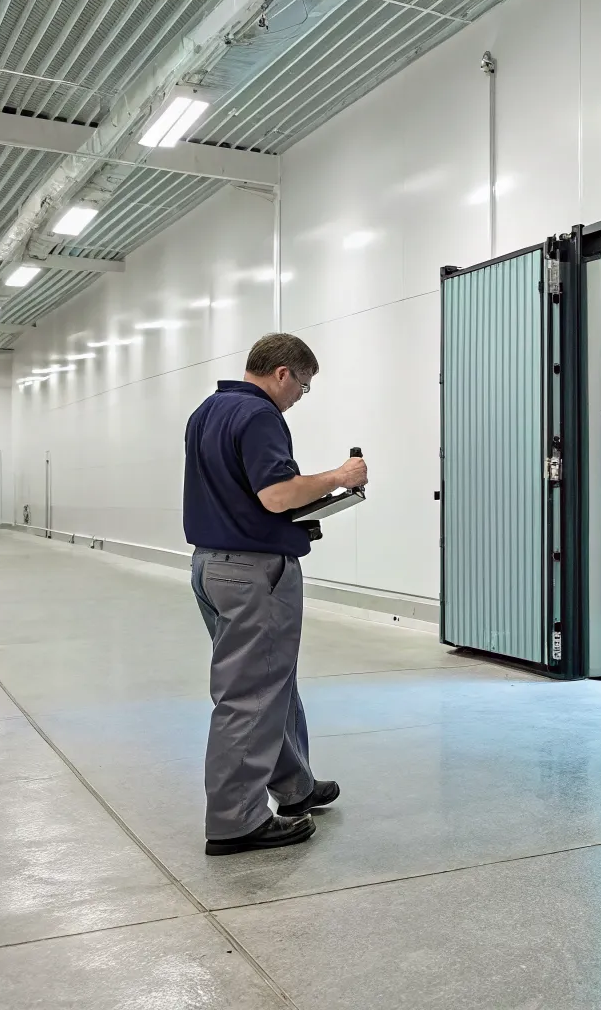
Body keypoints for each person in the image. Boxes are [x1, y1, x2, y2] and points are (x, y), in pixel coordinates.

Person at [183, 333, 367, 856]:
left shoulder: (207, 411)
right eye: (302, 386)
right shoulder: (260, 414)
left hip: (212, 565)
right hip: (252, 573)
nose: (299, 397)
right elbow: (277, 495)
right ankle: (235, 822)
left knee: (270, 682)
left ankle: (294, 786)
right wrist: (339, 476)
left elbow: (240, 495)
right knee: (251, 695)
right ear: (283, 373)